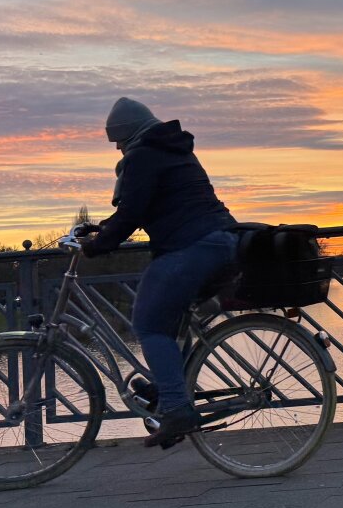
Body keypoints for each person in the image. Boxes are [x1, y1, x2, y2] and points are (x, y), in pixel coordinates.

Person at [80, 97, 238, 448]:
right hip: (224, 240)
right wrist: (105, 230)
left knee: (149, 324)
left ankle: (178, 408)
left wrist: (96, 245)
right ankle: (169, 387)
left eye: (118, 141)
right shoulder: (176, 149)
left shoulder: (142, 155)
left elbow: (132, 211)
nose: (118, 149)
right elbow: (150, 202)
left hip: (192, 247)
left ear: (129, 134)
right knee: (174, 318)